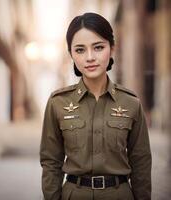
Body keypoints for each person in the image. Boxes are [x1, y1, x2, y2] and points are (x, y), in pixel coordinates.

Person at [40, 12, 151, 200]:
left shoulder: (131, 103)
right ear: (71, 54)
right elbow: (51, 162)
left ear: (112, 49)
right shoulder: (57, 102)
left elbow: (141, 163)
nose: (90, 57)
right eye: (80, 50)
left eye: (98, 47)